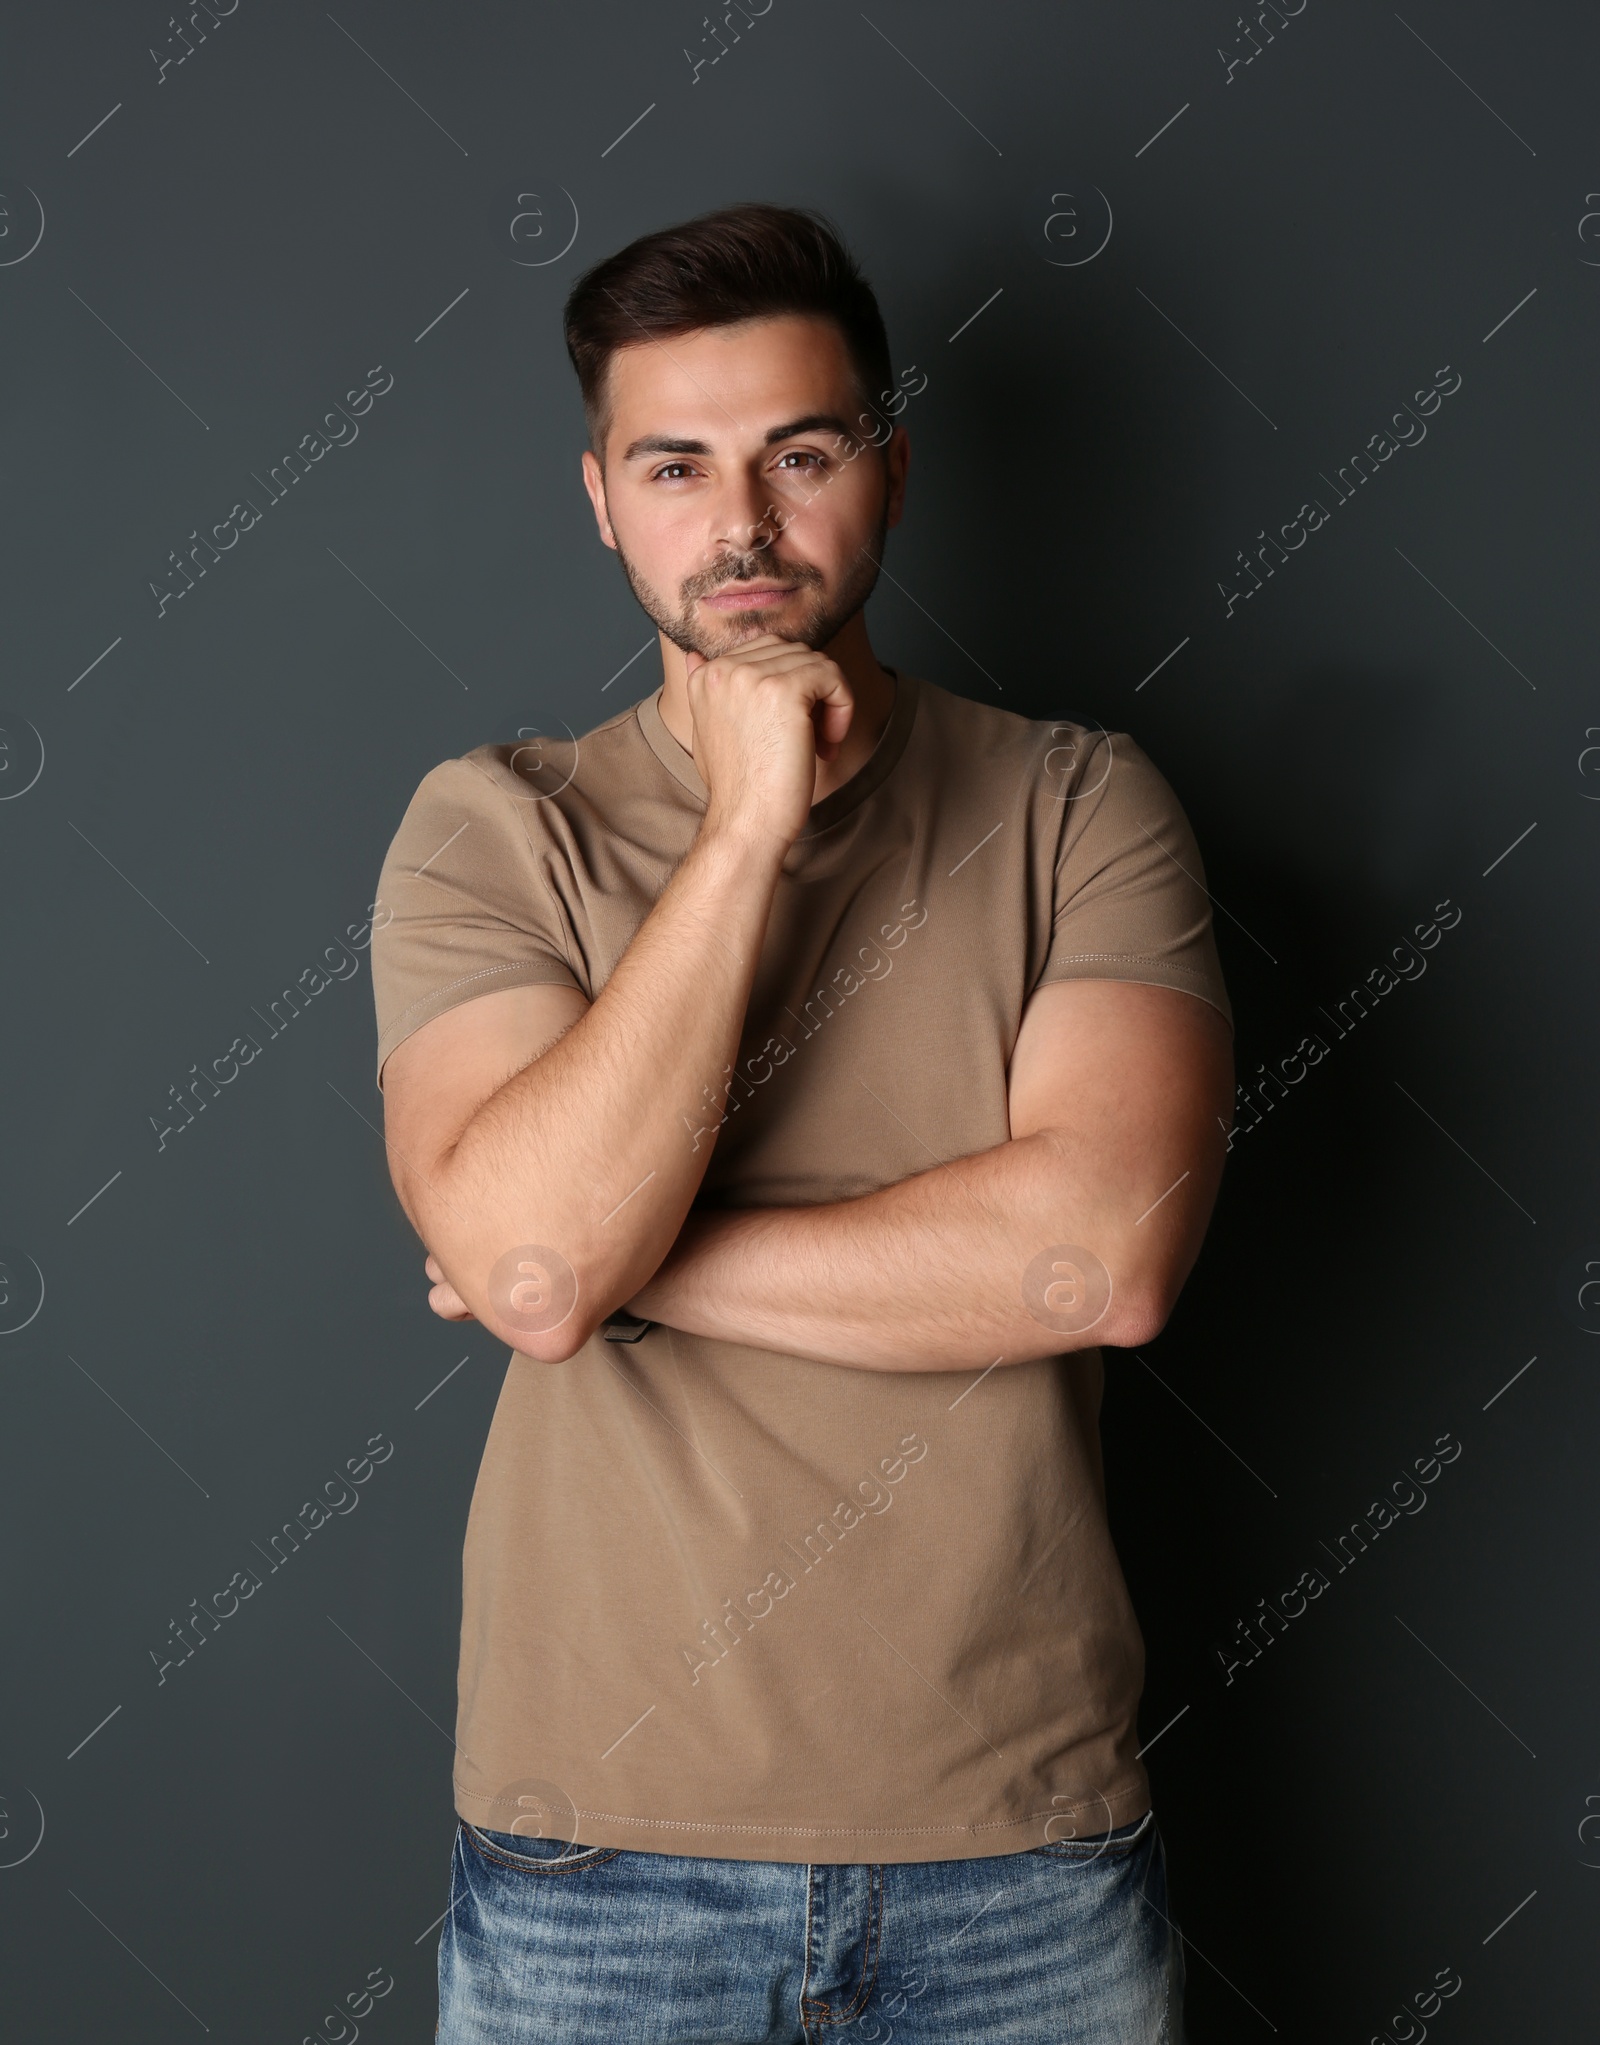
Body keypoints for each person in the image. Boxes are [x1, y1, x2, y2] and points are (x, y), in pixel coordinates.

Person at [371, 201, 1234, 2044]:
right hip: (595, 1857)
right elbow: (535, 1267)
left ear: (892, 472)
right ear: (601, 499)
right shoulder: (494, 827)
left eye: (801, 452)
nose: (740, 521)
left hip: (1019, 1851)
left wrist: (615, 1265)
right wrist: (749, 824)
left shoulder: (1082, 804)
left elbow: (1104, 1254)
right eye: (676, 465)